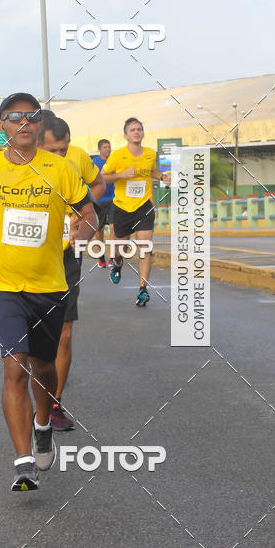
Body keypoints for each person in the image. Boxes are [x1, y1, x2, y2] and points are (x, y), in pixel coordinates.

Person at [0, 93, 97, 492]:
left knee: (44, 367)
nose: (23, 123)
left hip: (50, 284)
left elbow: (88, 210)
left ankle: (43, 423)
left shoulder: (59, 169)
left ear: (40, 124)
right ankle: (23, 460)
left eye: (31, 116)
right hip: (4, 284)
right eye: (14, 117)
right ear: (2, 126)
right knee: (14, 365)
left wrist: (85, 230)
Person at [38, 114, 104, 432]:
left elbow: (94, 204)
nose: (62, 156)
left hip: (67, 254)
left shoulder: (76, 161)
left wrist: (83, 226)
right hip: (28, 257)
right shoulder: (20, 166)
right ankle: (29, 393)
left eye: (65, 149)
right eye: (55, 150)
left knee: (64, 333)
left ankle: (53, 403)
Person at [101, 117, 170, 306]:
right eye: (132, 130)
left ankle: (143, 290)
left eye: (139, 129)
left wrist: (163, 176)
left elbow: (152, 171)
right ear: (125, 135)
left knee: (145, 248)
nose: (136, 132)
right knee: (119, 250)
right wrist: (121, 175)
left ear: (143, 133)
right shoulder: (117, 156)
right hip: (122, 208)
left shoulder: (150, 154)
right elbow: (102, 178)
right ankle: (117, 263)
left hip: (143, 207)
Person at [92, 139, 115, 268]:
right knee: (99, 230)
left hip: (113, 199)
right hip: (98, 200)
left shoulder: (114, 161)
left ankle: (112, 257)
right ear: (100, 149)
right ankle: (101, 257)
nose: (108, 149)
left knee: (113, 227)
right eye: (105, 147)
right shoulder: (94, 163)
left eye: (109, 147)